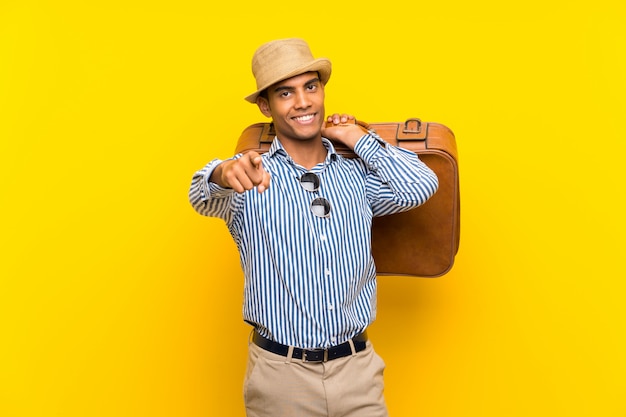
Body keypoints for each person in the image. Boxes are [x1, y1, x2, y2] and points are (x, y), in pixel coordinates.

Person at [188, 38, 439, 417]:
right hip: (280, 377)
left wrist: (355, 136)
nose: (302, 102)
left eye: (311, 86)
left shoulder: (356, 174)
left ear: (322, 91)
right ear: (265, 105)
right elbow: (202, 196)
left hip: (357, 371)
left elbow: (421, 185)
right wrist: (223, 172)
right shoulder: (250, 174)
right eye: (285, 93)